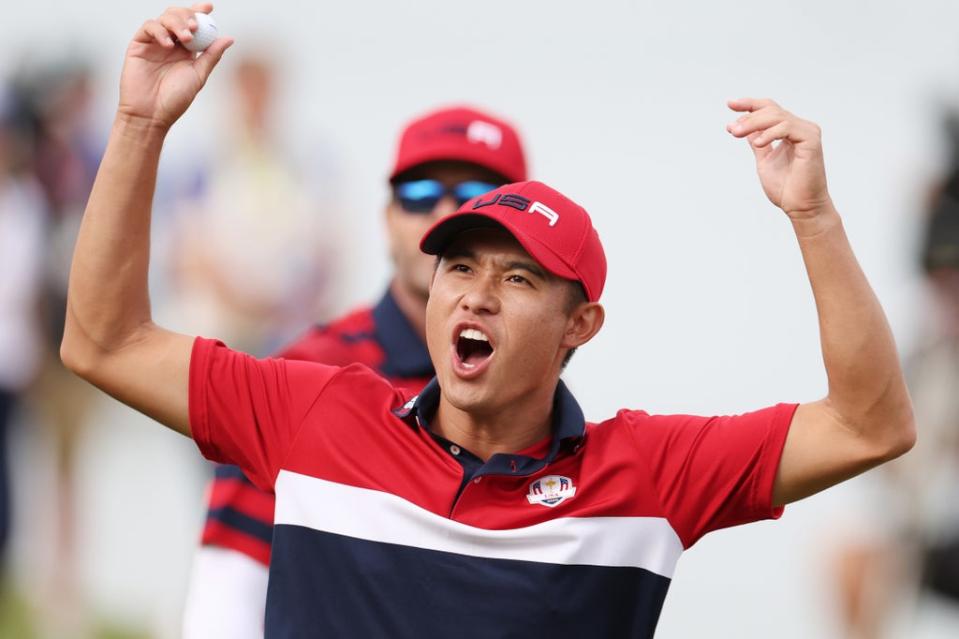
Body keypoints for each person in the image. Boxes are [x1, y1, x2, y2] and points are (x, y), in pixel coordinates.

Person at [61, 6, 916, 638]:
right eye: (458, 267)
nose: (474, 295)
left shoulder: (646, 473)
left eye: (515, 277)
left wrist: (812, 217)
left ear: (580, 324)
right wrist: (139, 124)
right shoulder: (319, 411)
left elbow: (867, 425)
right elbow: (103, 341)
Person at [182, 101, 528, 638]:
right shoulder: (308, 373)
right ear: (387, 218)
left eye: (472, 200)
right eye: (417, 196)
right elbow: (228, 586)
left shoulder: (533, 388)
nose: (441, 213)